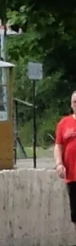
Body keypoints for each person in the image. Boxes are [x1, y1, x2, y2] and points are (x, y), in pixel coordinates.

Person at [56, 89, 76, 223]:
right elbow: (58, 145)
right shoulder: (64, 123)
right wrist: (59, 163)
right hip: (72, 175)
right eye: (75, 102)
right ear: (71, 104)